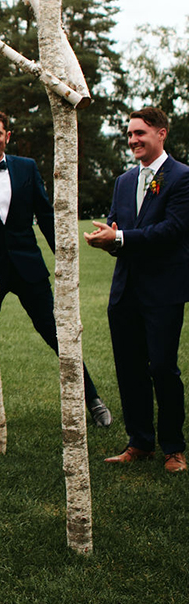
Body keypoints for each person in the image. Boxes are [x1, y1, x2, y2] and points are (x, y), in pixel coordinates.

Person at [0, 109, 111, 429]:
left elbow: (46, 217)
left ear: (7, 136)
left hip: (29, 268)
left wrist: (64, 259)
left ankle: (92, 398)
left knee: (57, 334)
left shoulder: (27, 168)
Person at [85, 107, 189, 473]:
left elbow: (172, 231)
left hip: (164, 291)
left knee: (162, 368)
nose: (133, 140)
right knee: (129, 370)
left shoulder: (182, 178)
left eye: (140, 133)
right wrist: (106, 240)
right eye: (129, 134)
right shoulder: (124, 181)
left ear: (161, 134)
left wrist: (122, 237)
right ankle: (140, 442)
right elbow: (118, 225)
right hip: (125, 291)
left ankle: (173, 448)